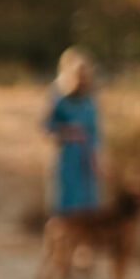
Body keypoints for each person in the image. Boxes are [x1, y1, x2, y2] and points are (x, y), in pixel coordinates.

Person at [44, 47, 101, 215]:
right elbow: (47, 128)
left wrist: (97, 157)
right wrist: (68, 132)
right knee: (66, 204)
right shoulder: (58, 96)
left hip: (87, 156)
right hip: (67, 157)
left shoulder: (89, 99)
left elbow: (96, 131)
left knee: (88, 204)